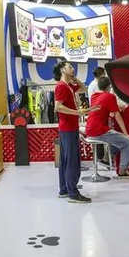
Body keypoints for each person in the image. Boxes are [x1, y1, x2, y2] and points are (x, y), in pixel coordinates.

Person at [53, 61, 95, 203]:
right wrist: (77, 112)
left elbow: (83, 88)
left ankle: (65, 189)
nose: (72, 68)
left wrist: (74, 77)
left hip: (68, 128)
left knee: (65, 160)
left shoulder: (68, 86)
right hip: (68, 128)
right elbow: (58, 107)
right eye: (69, 67)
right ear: (62, 70)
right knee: (72, 161)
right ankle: (73, 193)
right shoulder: (61, 86)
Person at [86, 77, 129, 178]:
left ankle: (106, 159)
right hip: (100, 130)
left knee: (119, 140)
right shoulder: (109, 96)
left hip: (90, 129)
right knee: (128, 141)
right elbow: (117, 116)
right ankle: (123, 170)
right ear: (109, 87)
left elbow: (102, 108)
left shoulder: (94, 96)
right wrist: (126, 133)